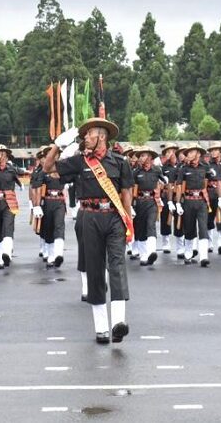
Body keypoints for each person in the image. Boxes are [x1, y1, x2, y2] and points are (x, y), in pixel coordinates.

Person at [45, 117, 133, 344]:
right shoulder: (79, 162)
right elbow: (48, 168)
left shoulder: (121, 162)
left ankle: (118, 323)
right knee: (94, 271)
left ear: (101, 137)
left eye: (89, 134)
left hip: (114, 218)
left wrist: (127, 219)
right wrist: (57, 145)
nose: (85, 137)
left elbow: (126, 192)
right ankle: (102, 327)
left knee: (117, 265)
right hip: (89, 217)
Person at [174, 143, 214, 266]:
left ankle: (203, 257)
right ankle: (188, 253)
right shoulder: (183, 169)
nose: (188, 155)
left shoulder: (205, 167)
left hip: (201, 201)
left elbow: (208, 183)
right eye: (188, 153)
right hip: (188, 200)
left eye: (191, 152)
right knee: (189, 228)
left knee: (203, 227)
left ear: (198, 153)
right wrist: (178, 203)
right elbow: (180, 186)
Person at [37, 145, 69, 268]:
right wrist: (36, 205)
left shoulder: (64, 169)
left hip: (60, 201)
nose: (55, 155)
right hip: (47, 201)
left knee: (59, 226)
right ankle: (51, 255)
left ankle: (58, 254)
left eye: (57, 153)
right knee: (49, 228)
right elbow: (37, 188)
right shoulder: (43, 172)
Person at [131, 145, 162, 266]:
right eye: (140, 156)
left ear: (150, 157)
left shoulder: (157, 170)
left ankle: (151, 252)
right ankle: (143, 255)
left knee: (151, 224)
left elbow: (164, 181)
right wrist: (132, 206)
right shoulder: (136, 172)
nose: (141, 158)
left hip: (152, 201)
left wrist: (162, 186)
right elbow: (133, 190)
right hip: (139, 201)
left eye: (143, 155)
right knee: (141, 228)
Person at [158, 143, 180, 254]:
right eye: (167, 151)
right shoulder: (163, 167)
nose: (170, 153)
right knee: (165, 218)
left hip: (178, 194)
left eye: (172, 151)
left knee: (179, 218)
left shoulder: (181, 166)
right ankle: (165, 242)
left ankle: (180, 244)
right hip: (166, 194)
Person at [205, 142, 221, 255]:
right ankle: (209, 242)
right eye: (211, 150)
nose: (213, 152)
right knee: (209, 218)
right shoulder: (207, 165)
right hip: (210, 193)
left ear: (219, 151)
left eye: (215, 149)